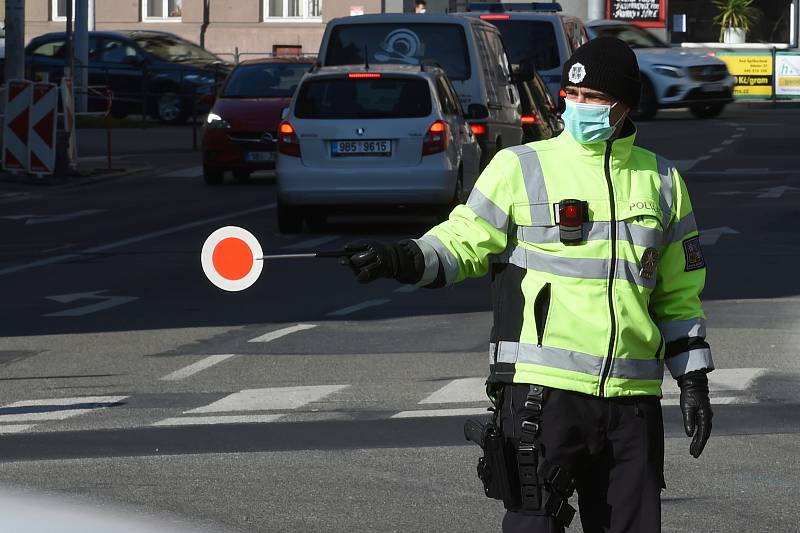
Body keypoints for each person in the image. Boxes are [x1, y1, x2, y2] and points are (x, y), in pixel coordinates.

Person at [338, 37, 714, 533]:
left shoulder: (662, 181)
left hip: (631, 403)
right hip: (543, 396)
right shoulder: (521, 166)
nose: (579, 107)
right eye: (572, 96)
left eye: (595, 98)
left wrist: (693, 379)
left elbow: (677, 294)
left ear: (624, 105)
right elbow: (463, 240)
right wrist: (405, 257)